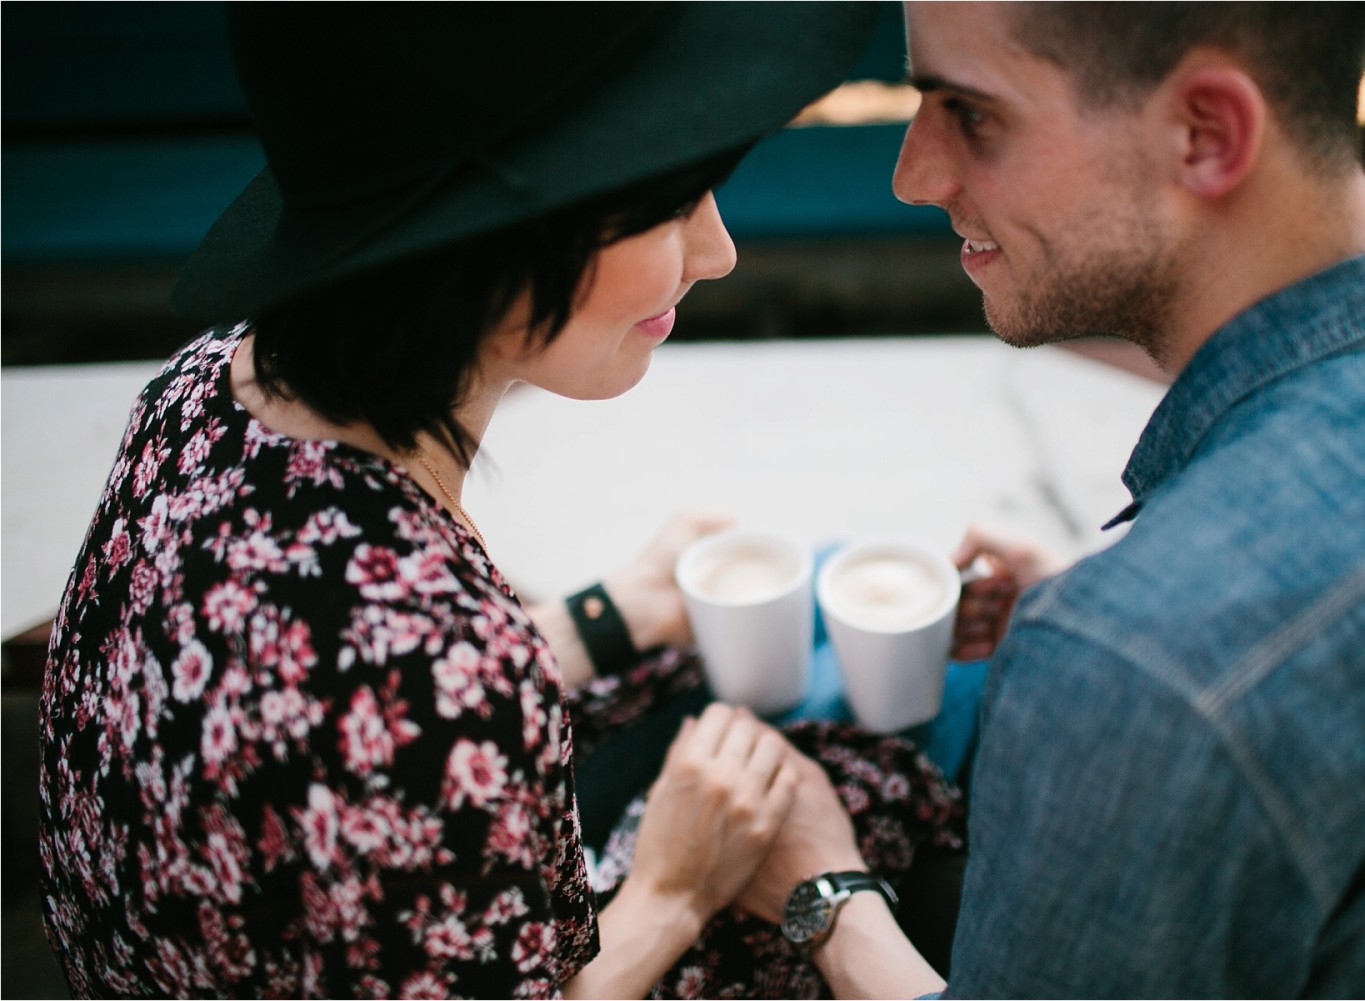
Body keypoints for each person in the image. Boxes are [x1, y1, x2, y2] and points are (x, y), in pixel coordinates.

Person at [36, 5, 968, 999]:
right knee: (848, 774)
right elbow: (411, 705)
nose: (718, 251)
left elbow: (354, 724)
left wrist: (606, 617)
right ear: (499, 244)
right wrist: (672, 889)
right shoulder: (443, 670)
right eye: (668, 205)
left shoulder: (201, 385)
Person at [736, 3, 1365, 997]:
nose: (913, 174)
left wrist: (822, 889)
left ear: (1207, 134)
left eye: (969, 110)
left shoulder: (1135, 664)